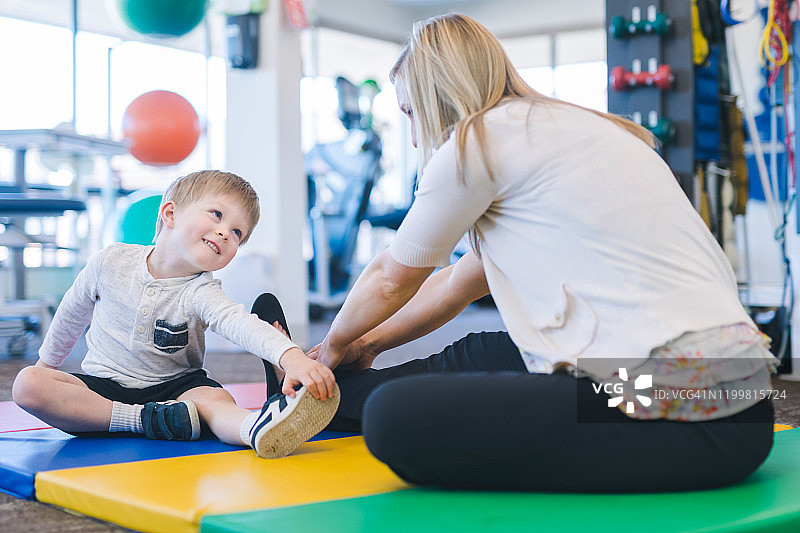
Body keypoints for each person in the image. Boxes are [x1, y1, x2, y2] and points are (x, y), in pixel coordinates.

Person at [308, 13, 780, 492]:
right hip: (745, 399)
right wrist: (360, 347)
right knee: (488, 349)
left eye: (411, 113)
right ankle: (318, 396)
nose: (412, 136)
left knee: (396, 419)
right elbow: (454, 285)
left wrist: (330, 346)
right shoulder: (576, 129)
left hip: (683, 414)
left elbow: (392, 277)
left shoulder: (475, 143)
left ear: (436, 96)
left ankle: (327, 391)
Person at [12, 170, 339, 459]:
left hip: (177, 392)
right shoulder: (110, 261)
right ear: (170, 213)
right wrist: (48, 367)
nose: (226, 232)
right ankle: (141, 420)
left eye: (238, 232)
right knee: (28, 384)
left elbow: (240, 324)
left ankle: (257, 428)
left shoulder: (202, 290)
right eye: (216, 214)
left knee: (215, 401)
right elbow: (71, 314)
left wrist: (292, 358)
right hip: (104, 390)